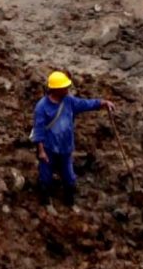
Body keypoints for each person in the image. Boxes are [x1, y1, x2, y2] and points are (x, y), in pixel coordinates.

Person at [32, 71, 109, 207]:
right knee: (45, 176)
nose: (67, 89)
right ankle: (46, 202)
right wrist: (41, 151)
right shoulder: (41, 107)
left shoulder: (69, 101)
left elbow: (85, 104)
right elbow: (39, 130)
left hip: (66, 147)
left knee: (69, 176)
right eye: (64, 87)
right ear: (56, 89)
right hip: (48, 148)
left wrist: (102, 103)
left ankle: (69, 202)